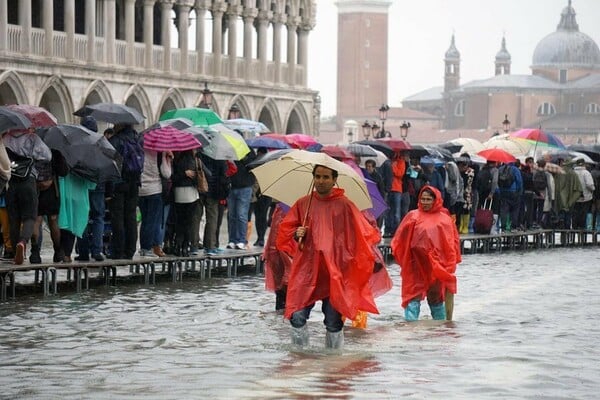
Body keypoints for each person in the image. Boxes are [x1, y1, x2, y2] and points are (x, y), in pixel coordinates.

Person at [276, 164, 381, 349]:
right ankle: (299, 359)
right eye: (317, 176)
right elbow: (286, 230)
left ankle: (333, 364)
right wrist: (296, 233)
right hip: (307, 269)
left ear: (334, 180)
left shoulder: (345, 205)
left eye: (325, 177)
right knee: (297, 315)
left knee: (333, 320)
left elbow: (361, 235)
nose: (321, 181)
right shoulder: (303, 203)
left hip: (335, 271)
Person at [391, 185, 461, 321]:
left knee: (435, 297)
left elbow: (452, 244)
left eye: (428, 199)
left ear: (435, 200)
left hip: (436, 265)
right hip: (415, 264)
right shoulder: (412, 216)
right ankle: (411, 329)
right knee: (413, 295)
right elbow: (400, 239)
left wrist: (449, 266)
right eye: (423, 199)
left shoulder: (444, 220)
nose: (425, 202)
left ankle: (440, 328)